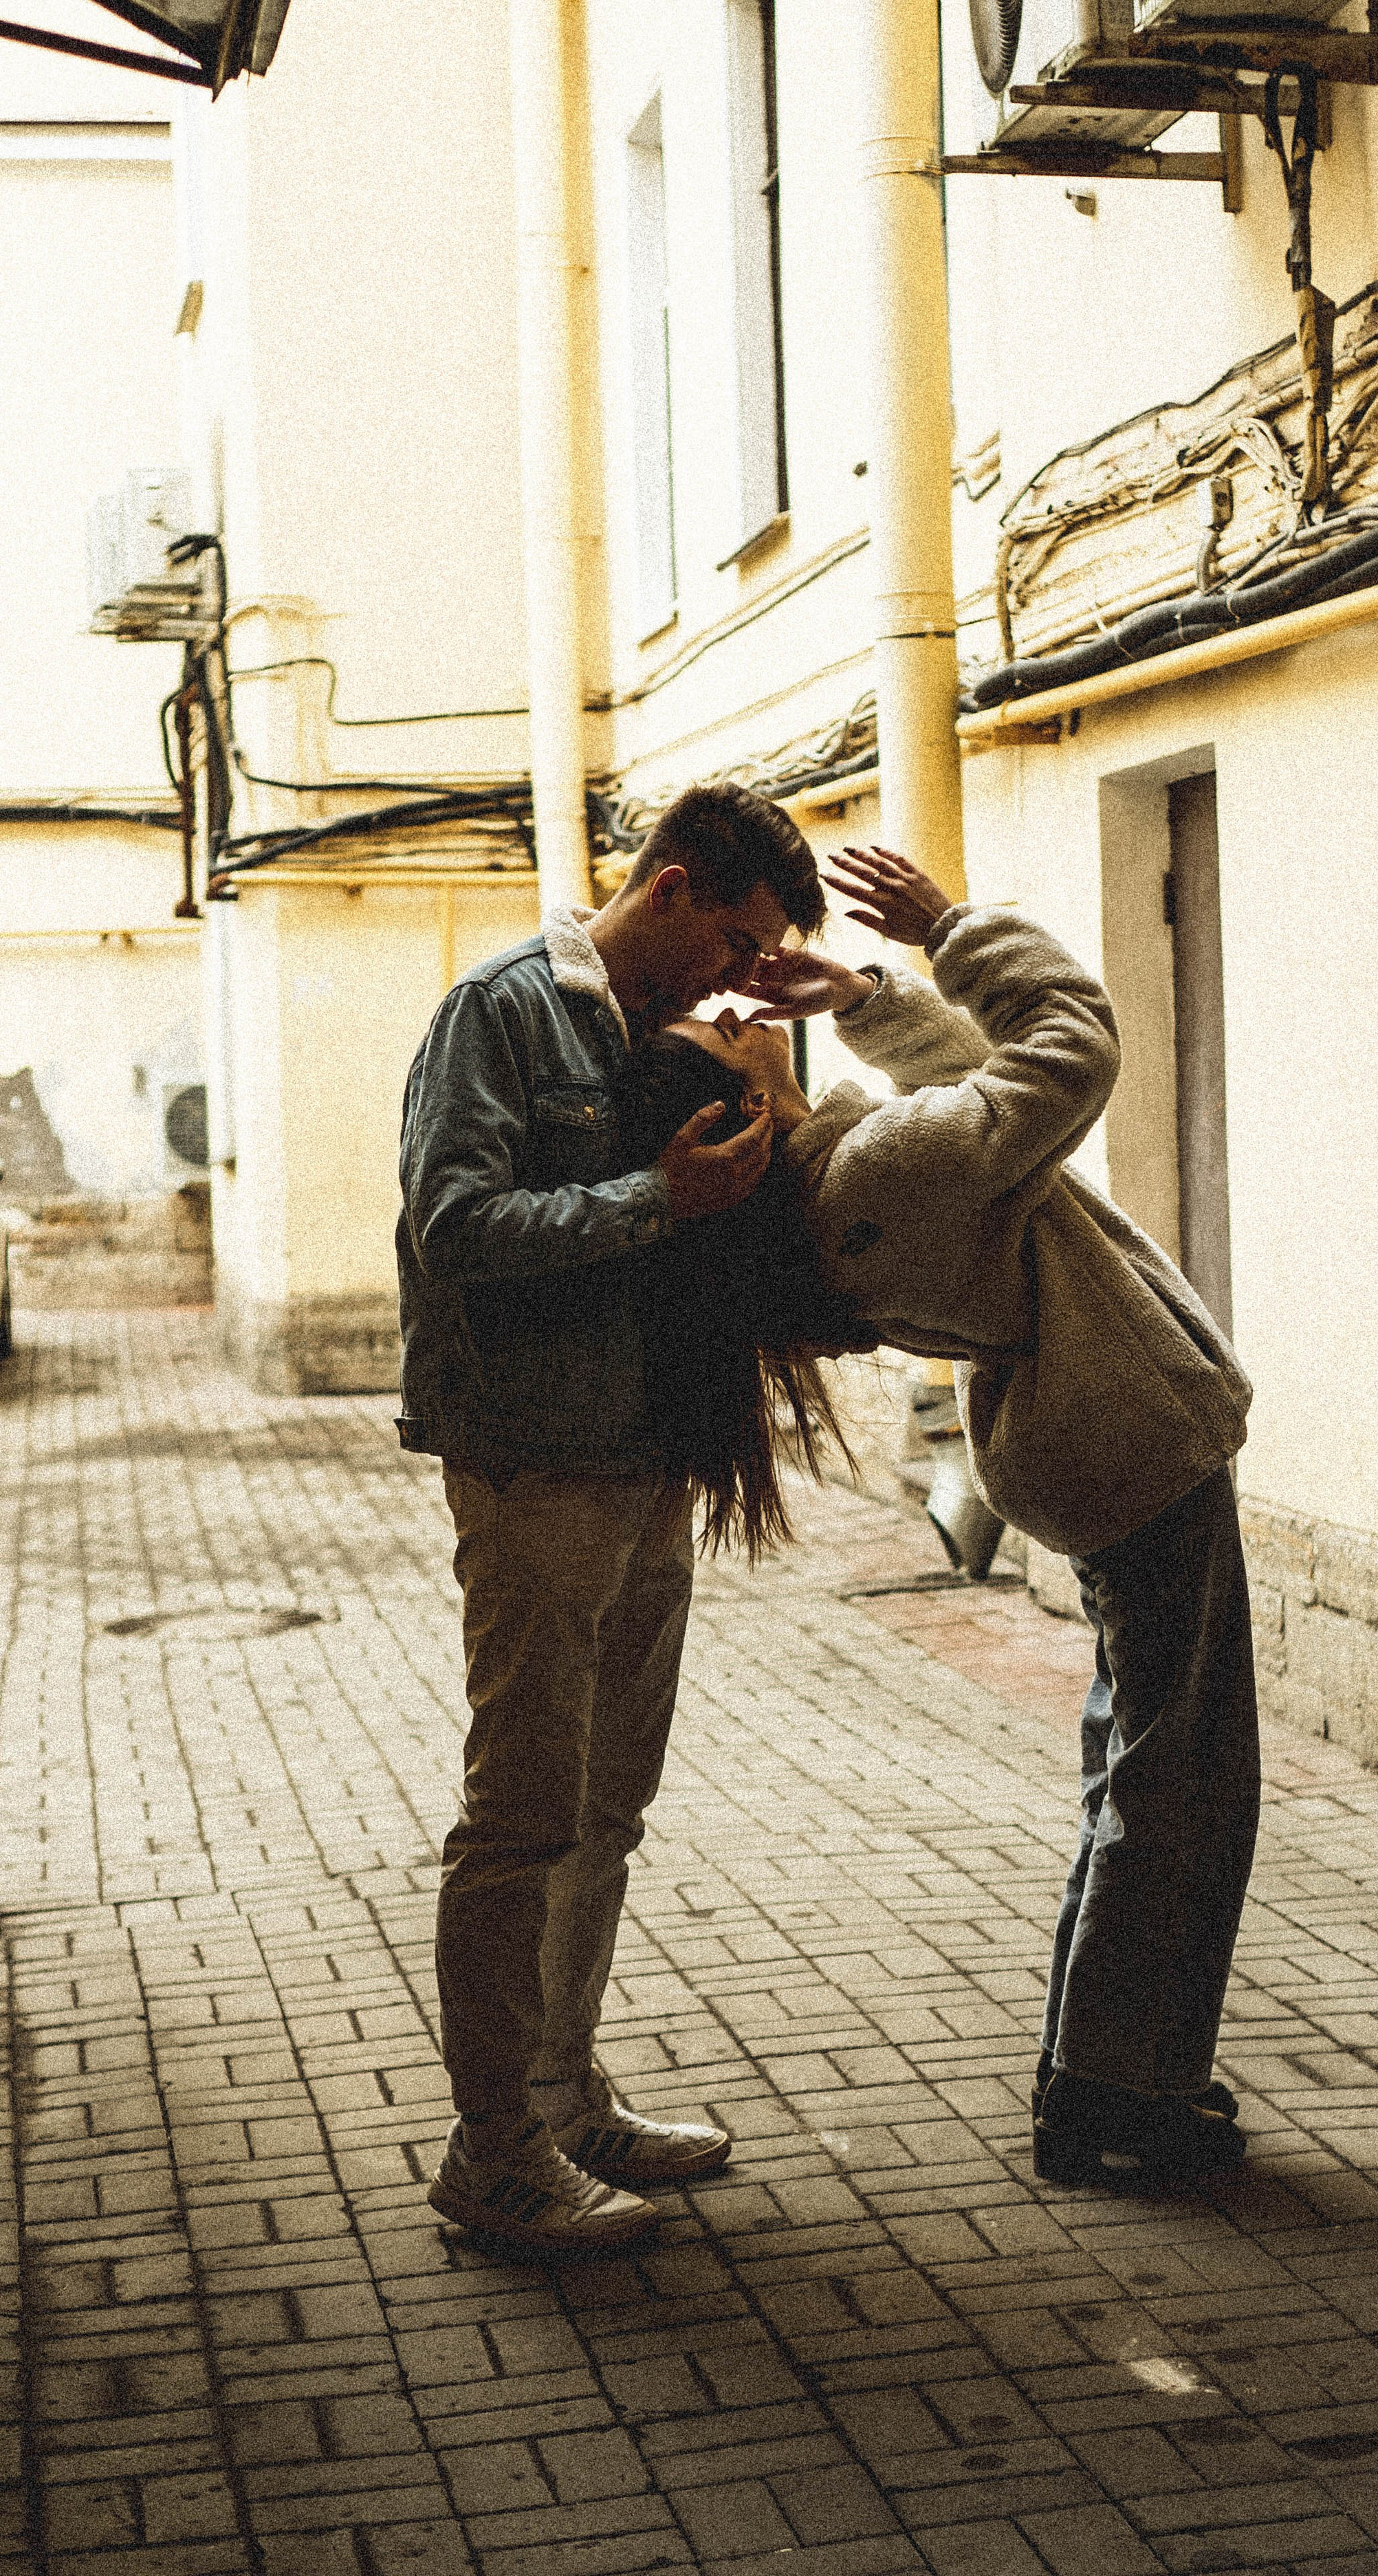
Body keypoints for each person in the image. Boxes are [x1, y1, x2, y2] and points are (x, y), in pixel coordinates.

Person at [666, 843, 1259, 2192]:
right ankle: (1117, 2092)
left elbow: (955, 1103)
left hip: (1088, 1446)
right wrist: (951, 928)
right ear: (731, 1114)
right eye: (722, 1031)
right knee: (1181, 1781)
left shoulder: (846, 1187)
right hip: (1125, 1447)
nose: (744, 1017)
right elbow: (1068, 1051)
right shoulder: (873, 1180)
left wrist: (864, 993)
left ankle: (1109, 2069)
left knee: (1146, 1766)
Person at [395, 782, 827, 2254]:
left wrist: (798, 1014)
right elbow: (452, 1229)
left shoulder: (656, 1032)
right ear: (670, 884)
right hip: (534, 1466)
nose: (732, 968)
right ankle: (491, 2152)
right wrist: (654, 1198)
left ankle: (566, 2097)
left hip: (645, 1464)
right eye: (735, 934)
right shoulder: (501, 1013)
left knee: (607, 1810)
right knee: (519, 1816)